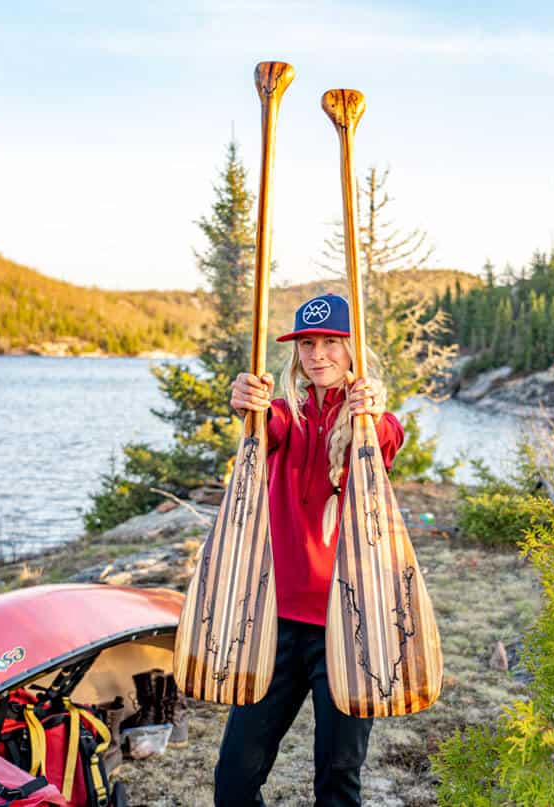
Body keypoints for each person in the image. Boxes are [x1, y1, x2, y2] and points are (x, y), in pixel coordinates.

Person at [214, 293, 404, 807]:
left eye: (330, 343)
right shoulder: (283, 415)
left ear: (352, 350)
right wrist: (244, 400)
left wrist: (374, 413)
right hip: (276, 623)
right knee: (233, 777)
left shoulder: (371, 422)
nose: (317, 354)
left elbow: (386, 441)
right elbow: (262, 426)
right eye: (306, 344)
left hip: (350, 625)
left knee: (338, 783)